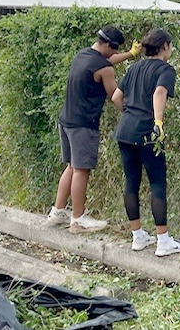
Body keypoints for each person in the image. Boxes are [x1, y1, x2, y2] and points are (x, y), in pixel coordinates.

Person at [48, 25, 142, 234]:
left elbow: (108, 60)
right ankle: (78, 219)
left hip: (66, 119)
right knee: (82, 169)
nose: (116, 53)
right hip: (84, 124)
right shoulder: (104, 69)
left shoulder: (83, 56)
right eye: (115, 48)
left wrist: (130, 55)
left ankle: (58, 211)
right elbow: (114, 96)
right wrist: (129, 114)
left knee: (72, 166)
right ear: (108, 45)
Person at [110, 29, 180, 257]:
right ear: (164, 46)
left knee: (131, 182)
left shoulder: (134, 68)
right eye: (170, 45)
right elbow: (160, 92)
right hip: (147, 132)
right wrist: (158, 122)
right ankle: (163, 240)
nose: (171, 49)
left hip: (124, 131)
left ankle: (138, 236)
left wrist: (129, 113)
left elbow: (116, 97)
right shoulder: (165, 70)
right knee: (157, 183)